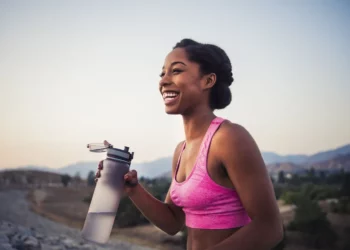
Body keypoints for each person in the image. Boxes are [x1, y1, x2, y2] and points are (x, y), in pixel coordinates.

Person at [95, 38, 284, 250]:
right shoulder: (181, 150)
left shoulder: (229, 138)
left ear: (208, 81)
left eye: (175, 71)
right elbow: (173, 222)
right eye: (162, 73)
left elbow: (269, 228)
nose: (163, 81)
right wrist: (133, 190)